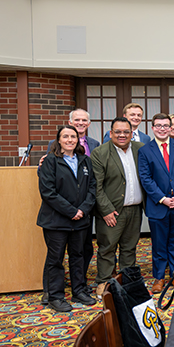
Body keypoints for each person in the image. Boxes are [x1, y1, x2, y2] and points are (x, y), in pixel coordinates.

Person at [37, 125, 97, 312]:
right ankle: (55, 296)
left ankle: (79, 290)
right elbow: (48, 192)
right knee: (56, 259)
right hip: (56, 221)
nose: (70, 139)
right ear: (58, 140)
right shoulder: (50, 161)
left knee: (78, 256)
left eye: (73, 136)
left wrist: (83, 210)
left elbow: (92, 188)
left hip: (80, 220)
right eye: (66, 136)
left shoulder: (85, 160)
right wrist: (71, 211)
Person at [138, 113, 174, 294]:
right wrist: (163, 199)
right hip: (158, 205)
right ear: (153, 128)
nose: (162, 129)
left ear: (171, 128)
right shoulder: (145, 150)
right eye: (158, 126)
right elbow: (145, 179)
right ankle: (159, 277)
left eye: (166, 125)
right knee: (159, 244)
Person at [91, 117, 144, 298]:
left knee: (130, 248)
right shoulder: (100, 153)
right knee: (107, 248)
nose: (122, 135)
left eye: (126, 132)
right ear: (111, 133)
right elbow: (96, 186)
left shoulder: (140, 149)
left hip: (135, 209)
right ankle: (103, 283)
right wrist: (105, 210)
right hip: (112, 211)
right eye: (118, 132)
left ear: (131, 133)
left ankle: (127, 281)